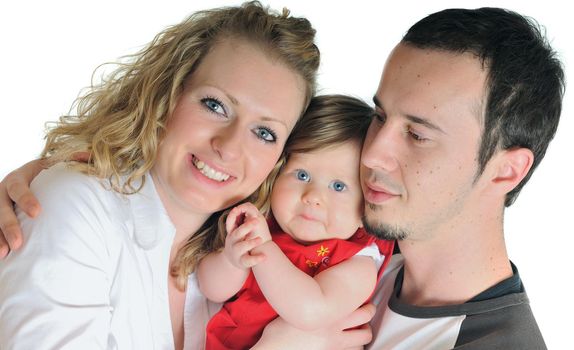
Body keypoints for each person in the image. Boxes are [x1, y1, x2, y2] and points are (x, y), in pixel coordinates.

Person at [0, 5, 565, 350]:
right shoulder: (357, 249)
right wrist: (64, 177)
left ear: (508, 168)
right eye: (380, 117)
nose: (372, 154)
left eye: (417, 134)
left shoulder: (489, 345)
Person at [0, 1, 321, 349]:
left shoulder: (246, 264)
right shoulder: (74, 205)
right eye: (215, 105)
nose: (228, 148)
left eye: (264, 134)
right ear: (166, 93)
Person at [197, 95, 394, 349]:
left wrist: (264, 248)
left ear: (366, 206)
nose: (313, 197)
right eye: (302, 175)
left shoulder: (359, 261)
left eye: (338, 186)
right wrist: (230, 261)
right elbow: (211, 289)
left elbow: (309, 311)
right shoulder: (263, 225)